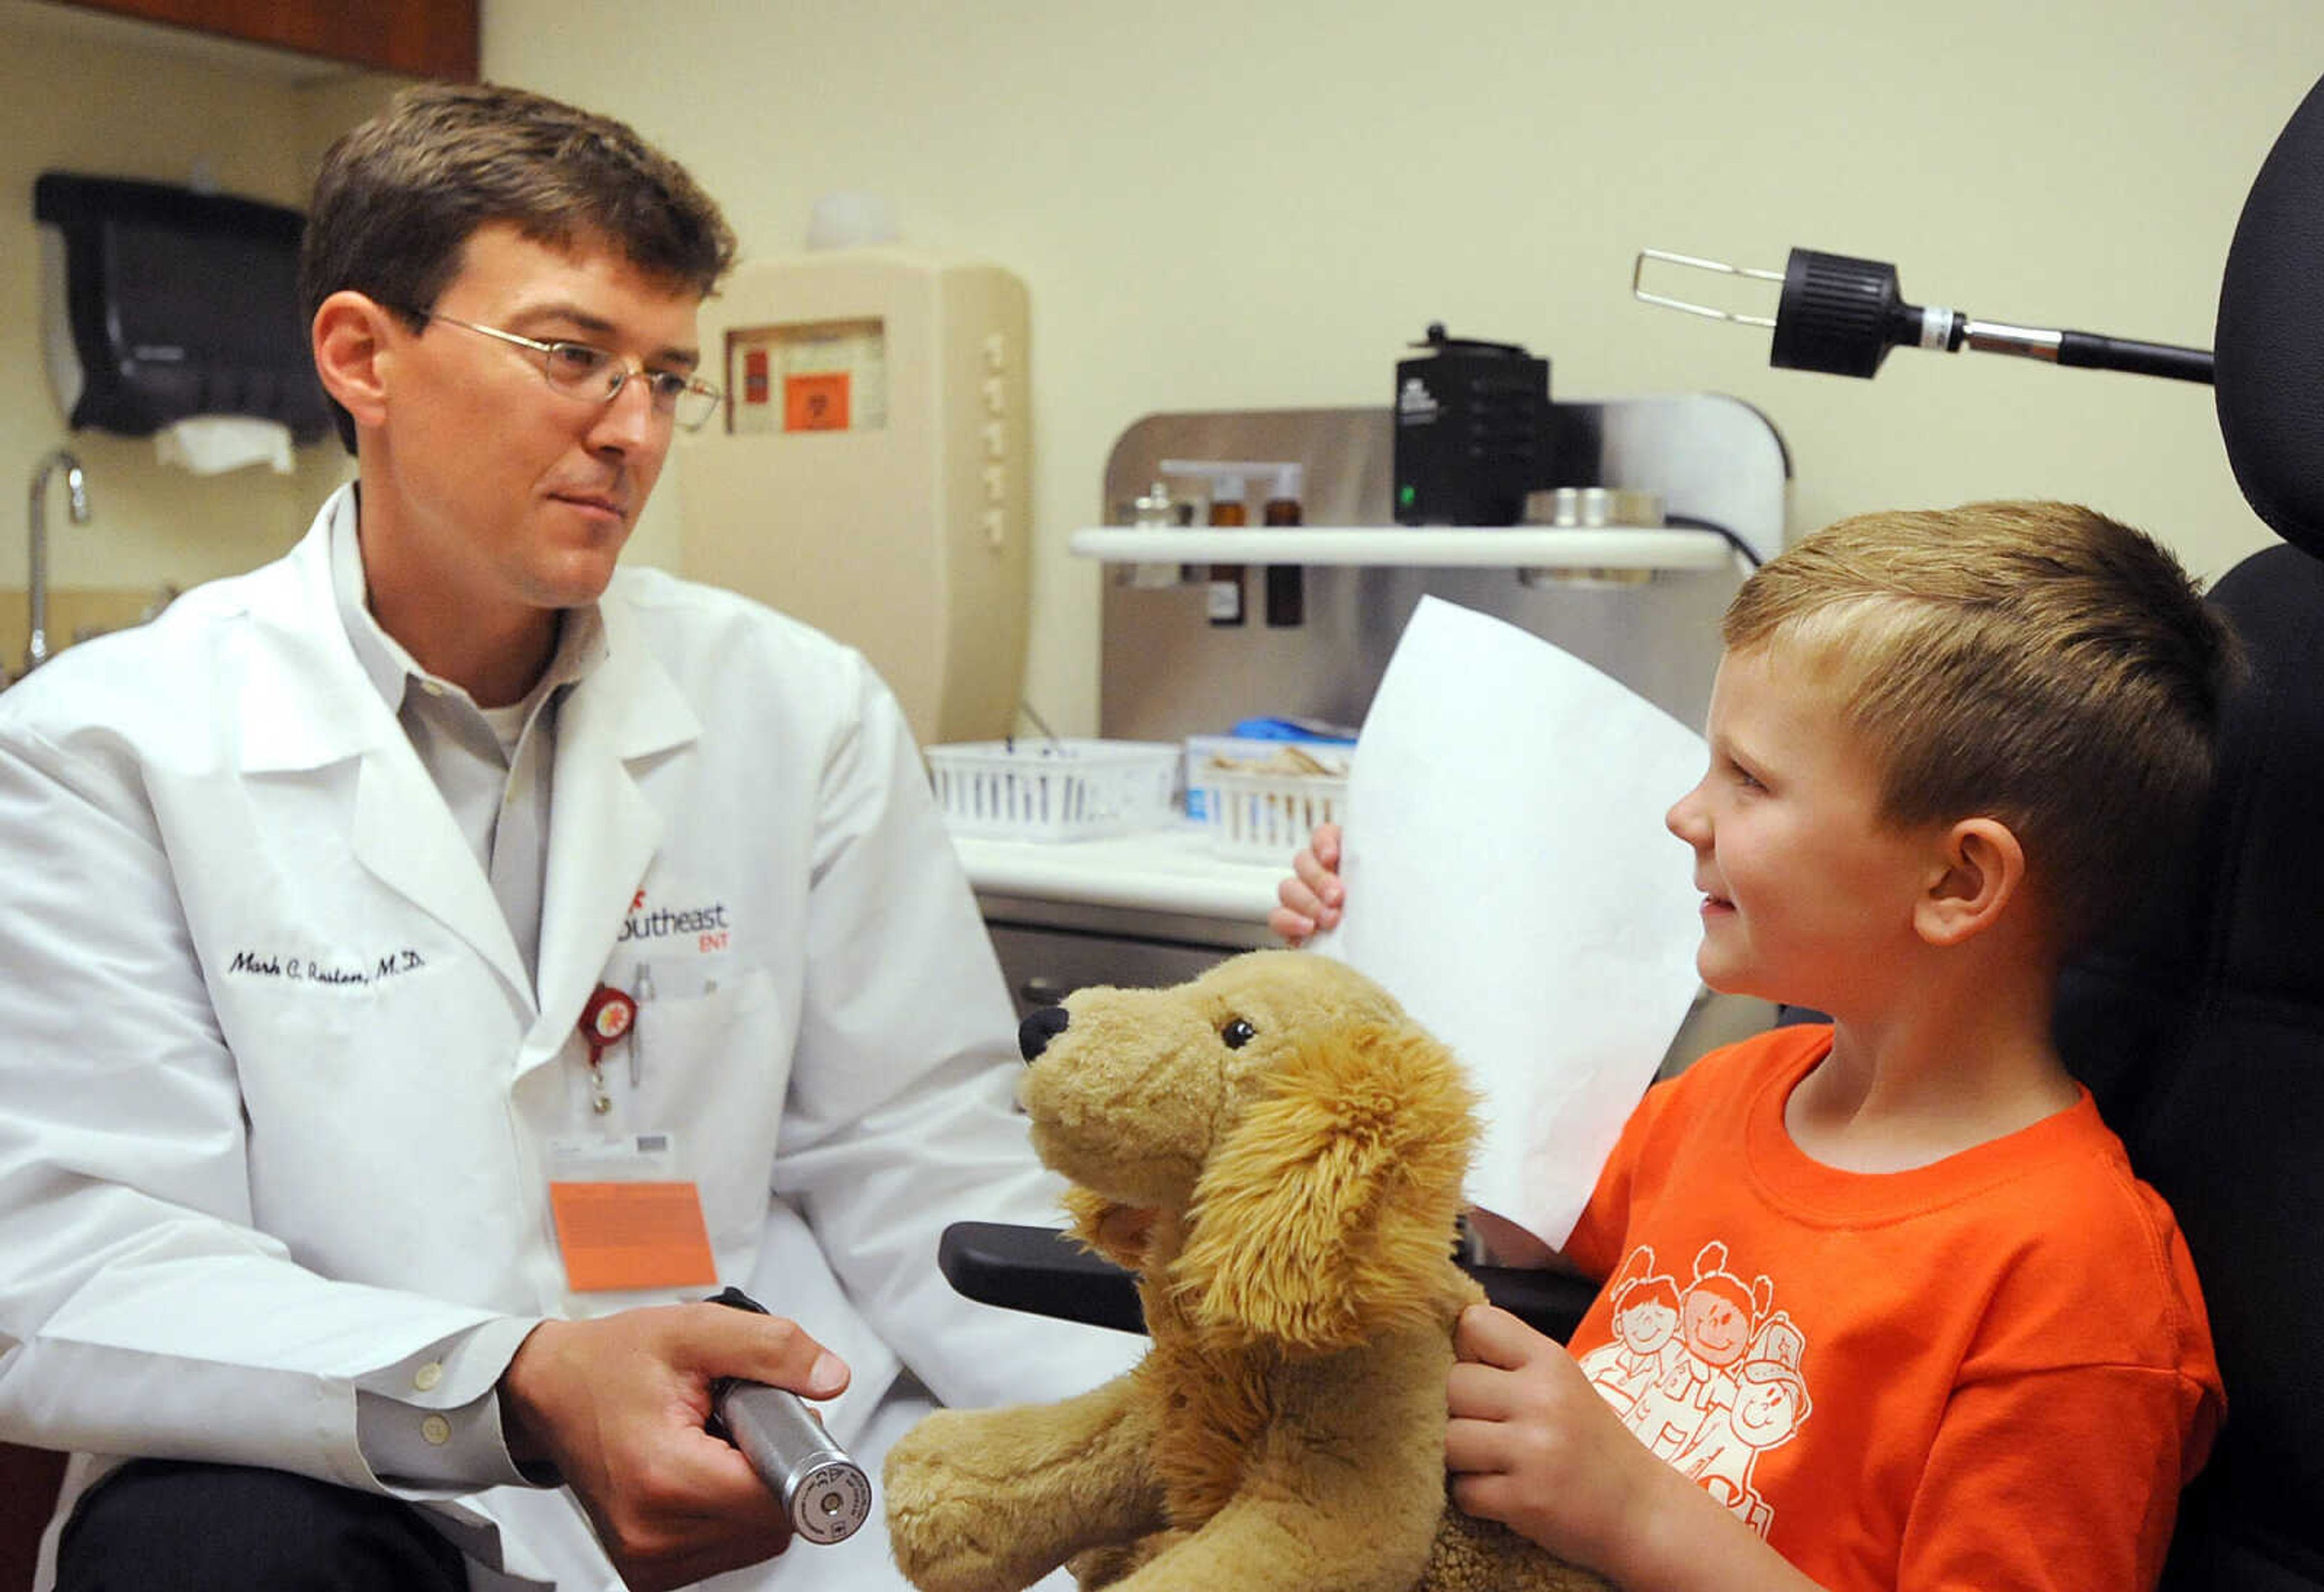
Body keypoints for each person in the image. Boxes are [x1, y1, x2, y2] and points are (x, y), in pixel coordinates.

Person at [0, 82, 1136, 1592]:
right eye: (571, 355)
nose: (635, 430)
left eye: (668, 375)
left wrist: (1142, 1460)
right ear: (361, 355)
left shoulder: (798, 711)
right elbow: (87, 1263)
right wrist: (517, 1383)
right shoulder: (110, 748)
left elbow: (922, 1163)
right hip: (357, 1473)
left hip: (769, 1473)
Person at [1272, 501, 2236, 1591]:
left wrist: (1638, 1514)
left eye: (1750, 779)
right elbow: (1518, 1211)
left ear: (1959, 881)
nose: (1688, 814)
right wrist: (1378, 954)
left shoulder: (2075, 1283)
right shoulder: (1735, 1094)